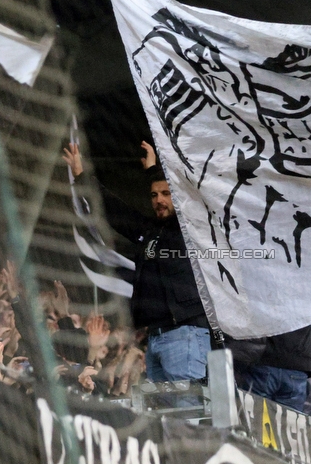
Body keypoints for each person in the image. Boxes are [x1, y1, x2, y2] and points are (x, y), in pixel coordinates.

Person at [62, 140, 211, 382]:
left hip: (184, 334)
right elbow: (114, 211)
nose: (158, 200)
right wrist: (81, 176)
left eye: (166, 194)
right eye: (153, 195)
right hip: (155, 338)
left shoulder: (189, 230)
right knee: (164, 414)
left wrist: (153, 171)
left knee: (188, 412)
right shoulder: (150, 231)